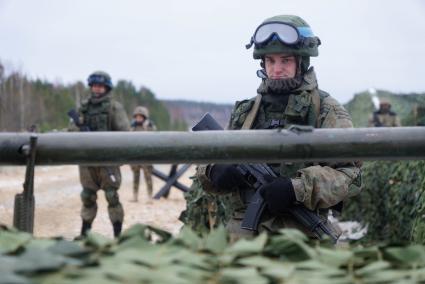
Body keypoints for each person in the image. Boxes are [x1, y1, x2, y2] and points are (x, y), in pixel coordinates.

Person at [195, 15, 362, 242]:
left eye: (285, 61)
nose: (277, 69)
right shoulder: (246, 112)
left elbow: (349, 175)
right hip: (243, 236)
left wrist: (297, 188)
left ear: (301, 62)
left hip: (301, 236)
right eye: (271, 61)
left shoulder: (326, 110)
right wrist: (214, 171)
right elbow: (207, 163)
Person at [77, 71, 130, 237]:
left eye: (101, 86)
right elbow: (72, 130)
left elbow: (124, 132)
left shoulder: (114, 107)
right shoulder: (83, 107)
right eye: (95, 85)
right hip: (88, 160)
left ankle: (118, 234)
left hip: (108, 161)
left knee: (112, 196)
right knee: (87, 196)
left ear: (107, 87)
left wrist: (119, 155)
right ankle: (85, 233)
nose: (97, 89)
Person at [130, 106, 156, 201]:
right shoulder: (132, 128)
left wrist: (146, 128)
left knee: (148, 177)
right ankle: (135, 196)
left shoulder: (149, 127)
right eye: (137, 117)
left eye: (140, 117)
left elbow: (154, 138)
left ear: (144, 117)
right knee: (135, 177)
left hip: (146, 156)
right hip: (135, 156)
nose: (138, 119)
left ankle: (150, 196)